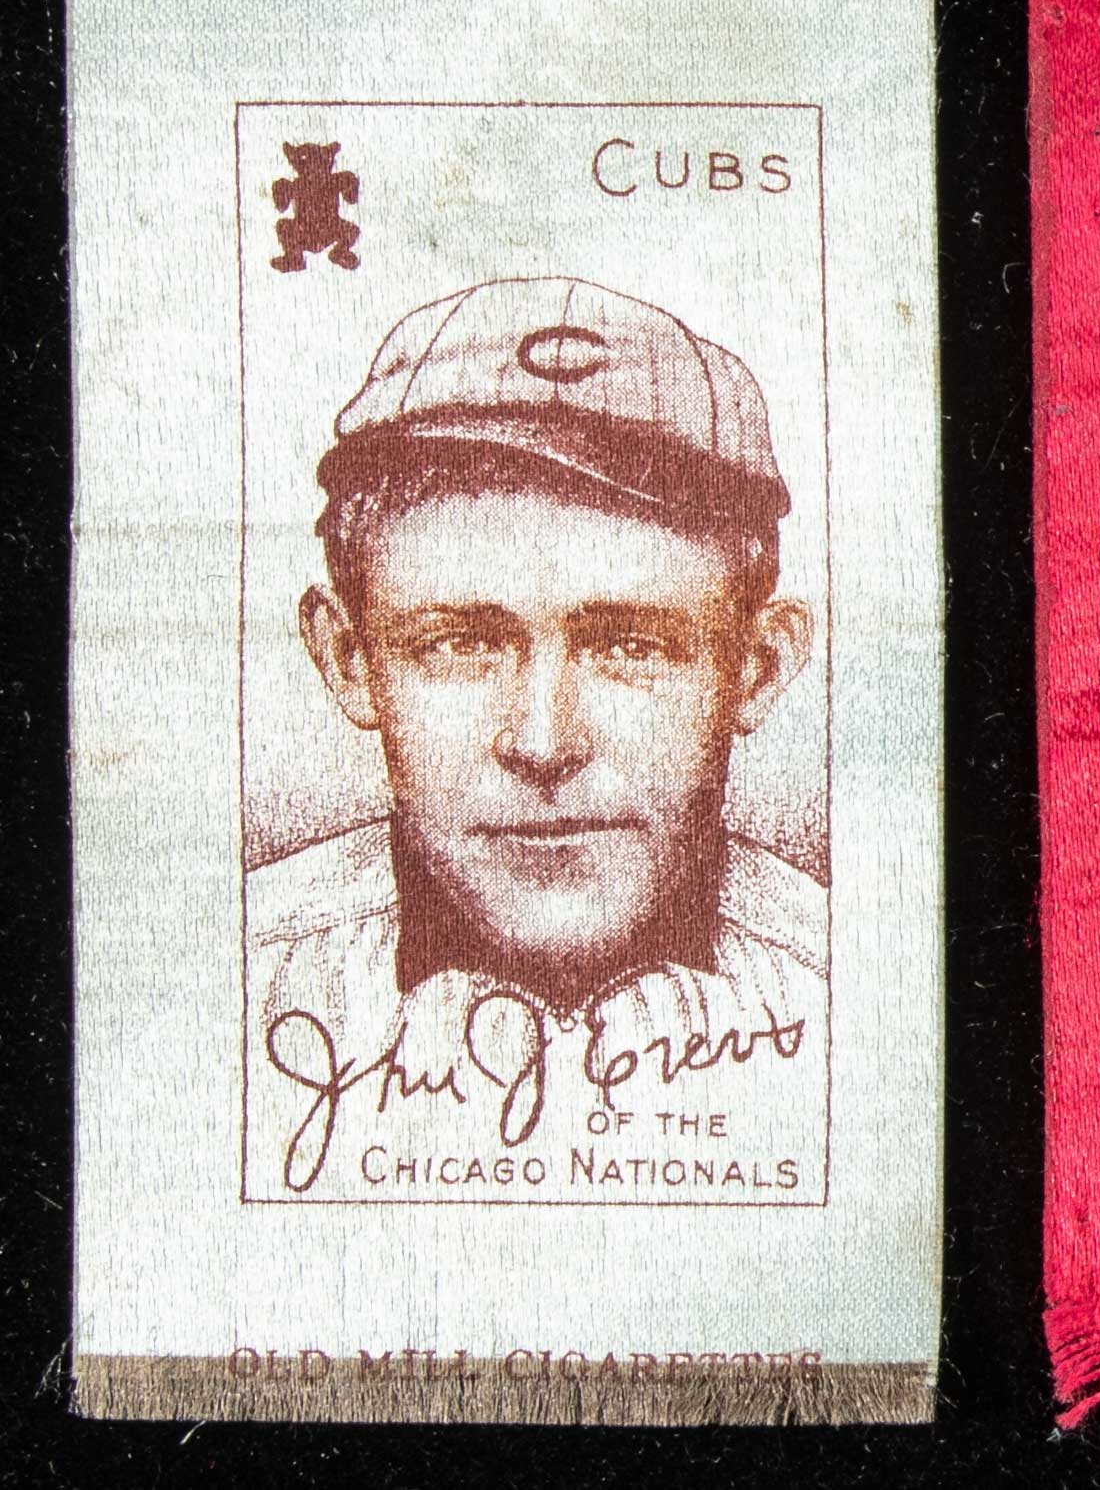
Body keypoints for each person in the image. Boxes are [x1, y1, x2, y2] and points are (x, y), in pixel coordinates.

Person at [246, 276, 823, 1192]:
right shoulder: (223, 983)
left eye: (632, 645)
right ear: (349, 658)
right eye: (460, 644)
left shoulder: (862, 996)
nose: (544, 741)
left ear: (755, 667)